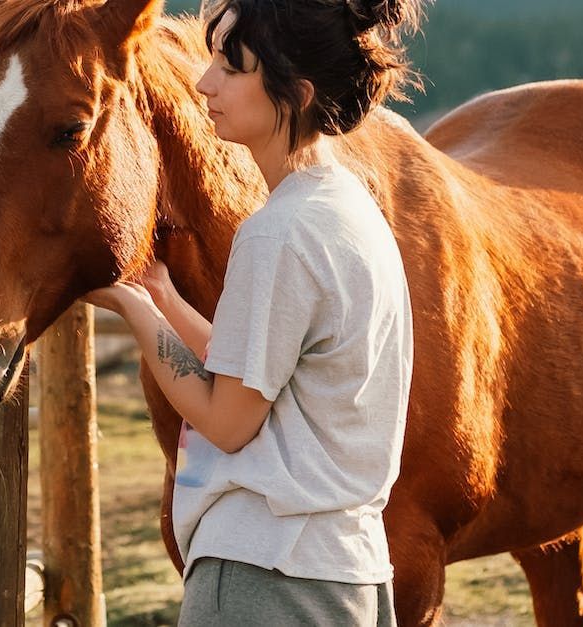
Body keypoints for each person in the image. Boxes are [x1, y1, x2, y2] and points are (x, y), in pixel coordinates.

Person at [82, 0, 417, 623]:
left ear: (296, 92)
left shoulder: (278, 233)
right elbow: (257, 367)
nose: (205, 82)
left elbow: (228, 420)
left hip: (264, 577)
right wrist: (162, 294)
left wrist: (132, 308)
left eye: (231, 68)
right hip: (347, 572)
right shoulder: (347, 208)